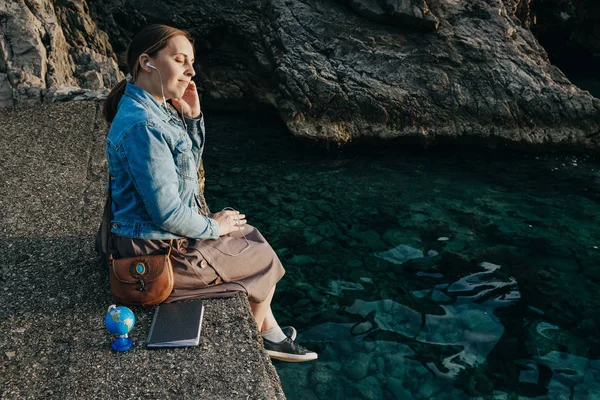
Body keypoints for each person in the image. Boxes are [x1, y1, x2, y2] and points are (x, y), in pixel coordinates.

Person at [99, 24, 316, 362]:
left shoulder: (153, 105)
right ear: (147, 61)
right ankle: (251, 352)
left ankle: (270, 334)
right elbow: (167, 214)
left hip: (156, 237)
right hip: (155, 254)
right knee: (263, 258)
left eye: (191, 61)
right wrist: (214, 226)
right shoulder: (143, 124)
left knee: (248, 235)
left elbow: (182, 168)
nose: (191, 71)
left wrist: (192, 117)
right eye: (179, 59)